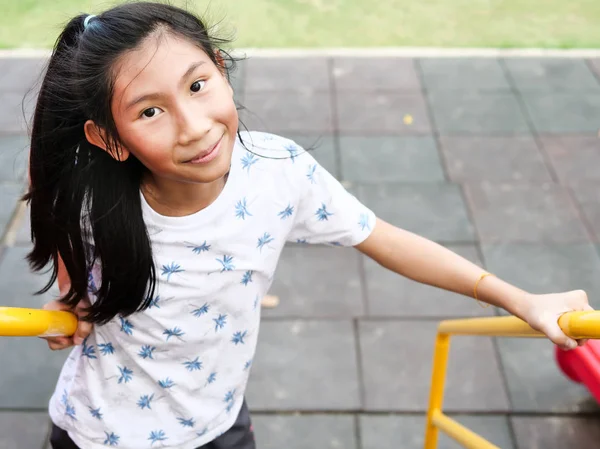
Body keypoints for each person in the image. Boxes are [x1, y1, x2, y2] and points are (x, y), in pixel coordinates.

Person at [25, 2, 592, 449]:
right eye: (150, 111)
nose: (193, 126)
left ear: (221, 70)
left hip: (220, 420)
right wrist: (70, 300)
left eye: (197, 86)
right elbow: (56, 217)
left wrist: (518, 299)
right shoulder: (93, 200)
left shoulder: (276, 173)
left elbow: (386, 238)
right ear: (110, 138)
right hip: (105, 434)